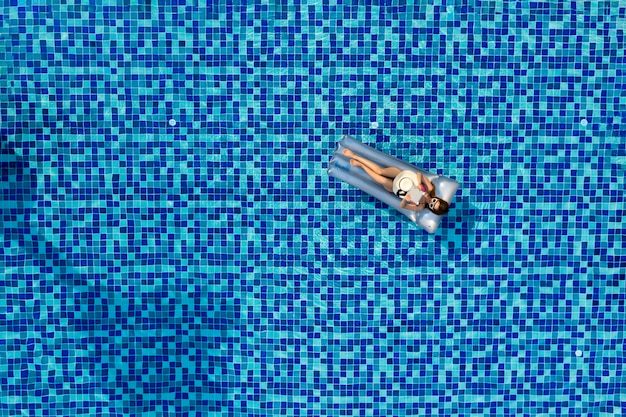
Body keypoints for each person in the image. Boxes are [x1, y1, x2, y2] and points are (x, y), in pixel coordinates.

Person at [342, 149, 450, 215]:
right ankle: (354, 156)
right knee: (380, 171)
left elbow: (403, 206)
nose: (431, 202)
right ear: (438, 198)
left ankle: (360, 165)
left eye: (432, 205)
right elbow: (419, 175)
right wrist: (418, 185)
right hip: (403, 177)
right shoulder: (430, 188)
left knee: (382, 180)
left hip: (396, 189)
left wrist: (405, 199)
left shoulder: (421, 206)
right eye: (435, 201)